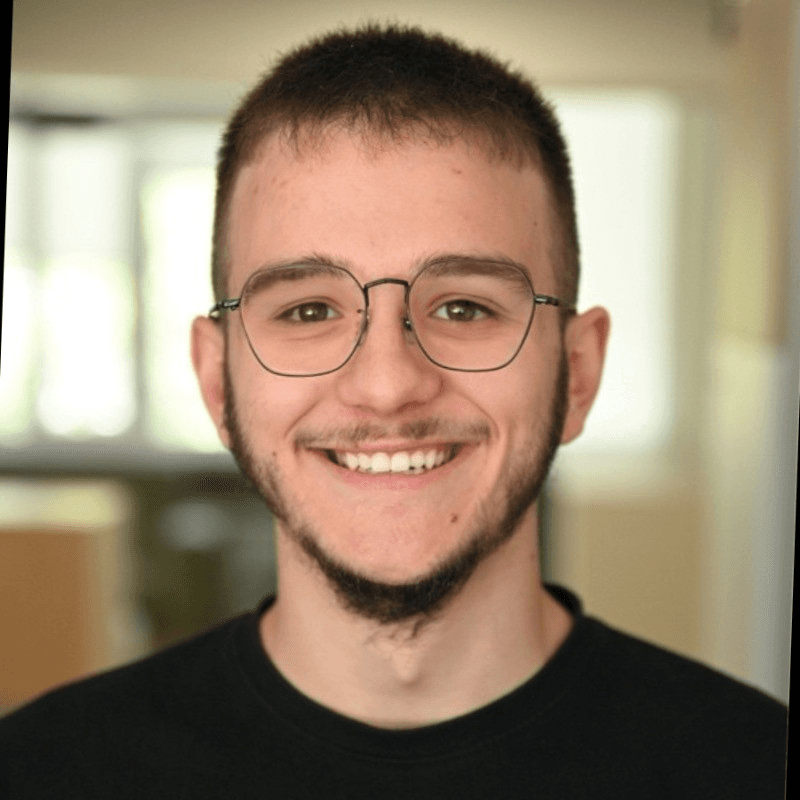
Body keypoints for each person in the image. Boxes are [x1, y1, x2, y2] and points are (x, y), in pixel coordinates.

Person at [0, 24, 787, 799]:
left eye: (465, 307)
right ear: (217, 381)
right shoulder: (39, 772)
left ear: (577, 372)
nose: (386, 385)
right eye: (309, 311)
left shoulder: (757, 769)